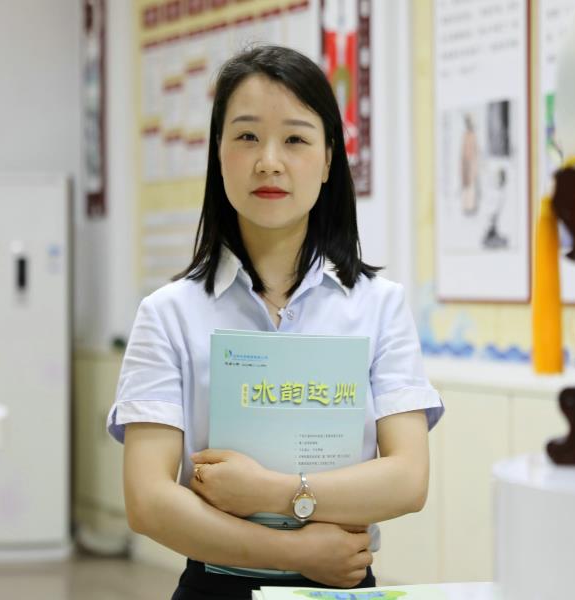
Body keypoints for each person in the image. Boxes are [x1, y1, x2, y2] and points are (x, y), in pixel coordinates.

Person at [107, 45, 444, 599]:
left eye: (294, 139)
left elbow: (408, 480)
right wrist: (295, 552)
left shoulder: (379, 307)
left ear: (329, 159)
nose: (268, 161)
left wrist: (273, 491)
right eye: (246, 136)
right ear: (218, 153)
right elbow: (148, 501)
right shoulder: (167, 315)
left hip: (343, 586)